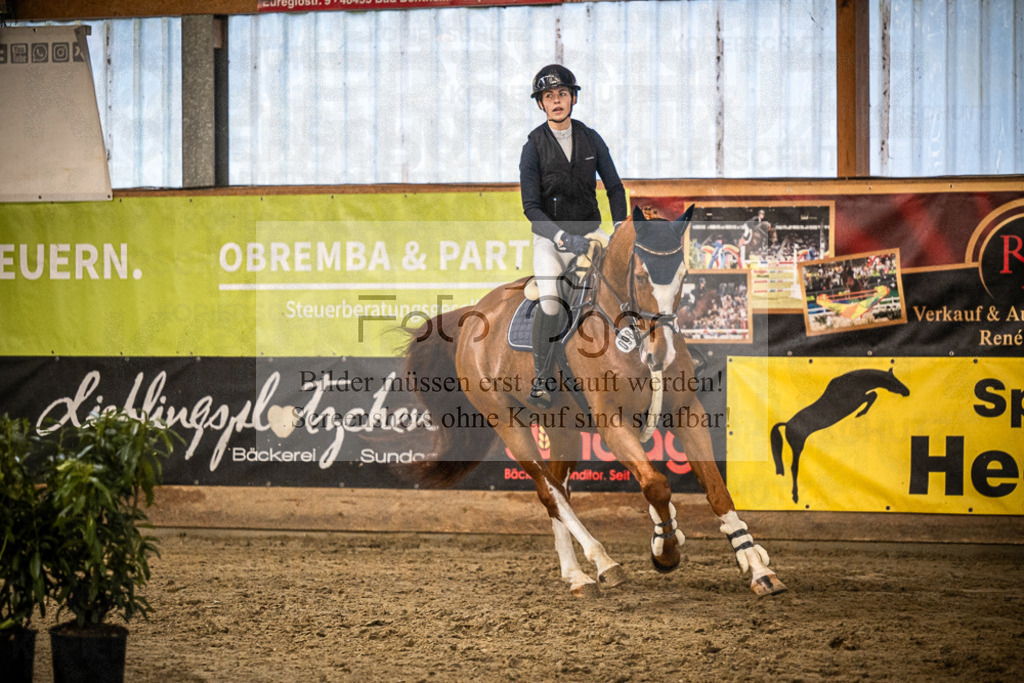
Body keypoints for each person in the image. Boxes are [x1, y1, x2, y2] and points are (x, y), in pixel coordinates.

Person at [519, 64, 627, 408]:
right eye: (549, 96)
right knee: (551, 299)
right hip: (551, 241)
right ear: (541, 104)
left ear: (573, 97)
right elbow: (531, 207)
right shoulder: (533, 147)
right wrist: (562, 238)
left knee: (626, 283)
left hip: (591, 233)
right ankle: (541, 377)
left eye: (562, 94)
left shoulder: (591, 138)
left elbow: (614, 187)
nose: (556, 101)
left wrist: (621, 228)